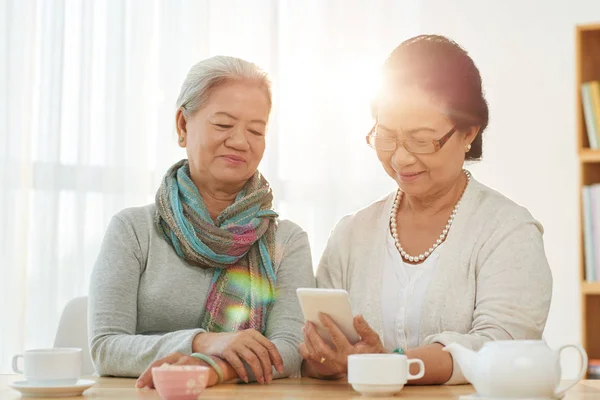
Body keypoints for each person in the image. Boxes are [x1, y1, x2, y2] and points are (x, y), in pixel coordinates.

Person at [299, 35, 552, 385]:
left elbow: (502, 345)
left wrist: (389, 365)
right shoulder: (351, 234)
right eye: (386, 136)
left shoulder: (508, 230)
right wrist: (325, 360)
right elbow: (317, 350)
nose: (401, 158)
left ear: (468, 133)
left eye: (421, 140)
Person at [88, 56, 315, 389]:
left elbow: (290, 348)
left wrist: (210, 369)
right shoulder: (133, 230)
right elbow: (106, 347)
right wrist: (204, 342)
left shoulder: (287, 241)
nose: (240, 141)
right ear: (182, 125)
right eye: (223, 125)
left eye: (256, 130)